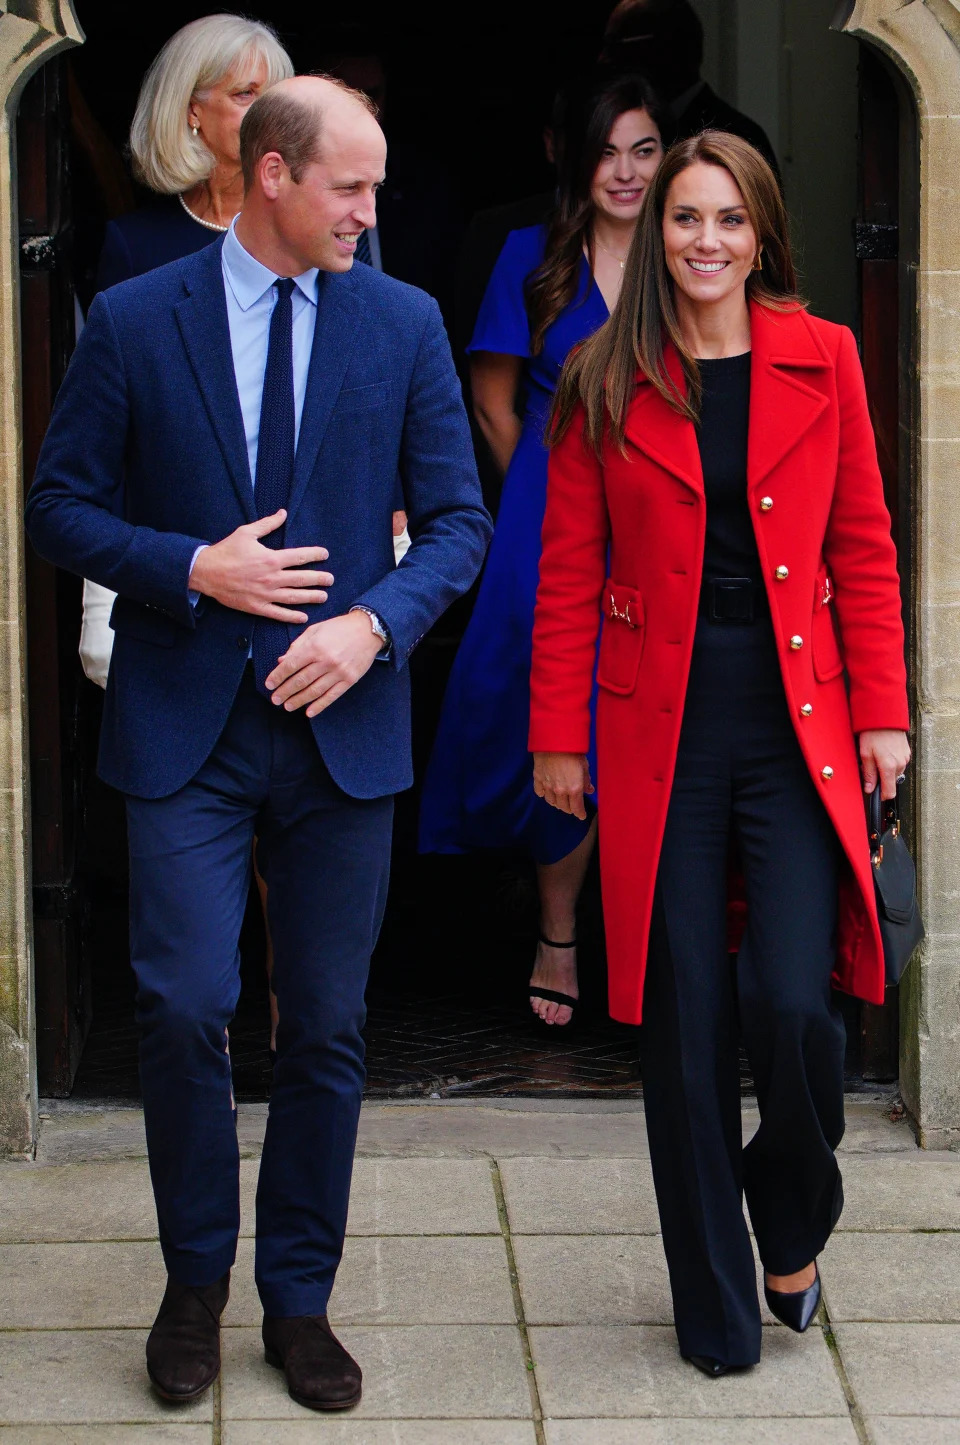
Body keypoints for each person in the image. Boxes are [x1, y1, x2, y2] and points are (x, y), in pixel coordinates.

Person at [27, 76, 491, 1410]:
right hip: (184, 728)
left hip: (343, 732)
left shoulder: (401, 323)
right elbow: (57, 505)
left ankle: (300, 1299)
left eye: (376, 183)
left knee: (331, 1024)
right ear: (274, 175)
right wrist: (189, 568)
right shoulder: (133, 319)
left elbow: (459, 523)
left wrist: (371, 631)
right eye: (351, 184)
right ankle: (193, 1281)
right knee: (180, 1008)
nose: (371, 207)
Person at [530, 131, 909, 1373]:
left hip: (798, 718)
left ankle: (790, 1222)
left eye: (729, 221)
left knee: (797, 1005)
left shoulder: (828, 357)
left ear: (762, 235)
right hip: (660, 730)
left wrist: (883, 712)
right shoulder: (601, 373)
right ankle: (714, 1310)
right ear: (657, 234)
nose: (704, 241)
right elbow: (569, 574)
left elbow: (864, 544)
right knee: (685, 1020)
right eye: (686, 218)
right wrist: (555, 738)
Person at [420, 72, 668, 1027]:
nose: (627, 171)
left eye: (644, 150)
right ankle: (558, 930)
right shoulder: (534, 255)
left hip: (656, 518)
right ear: (571, 156)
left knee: (641, 714)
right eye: (608, 150)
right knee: (540, 711)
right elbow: (487, 393)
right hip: (546, 511)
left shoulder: (688, 254)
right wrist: (557, 496)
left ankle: (642, 933)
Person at [96, 13, 293, 289]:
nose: (269, 113)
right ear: (192, 111)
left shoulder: (303, 227)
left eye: (275, 96)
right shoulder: (134, 246)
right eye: (245, 94)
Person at [602, 0, 781, 181]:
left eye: (616, 45)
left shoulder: (738, 138)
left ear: (665, 48)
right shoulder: (614, 128)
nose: (604, 59)